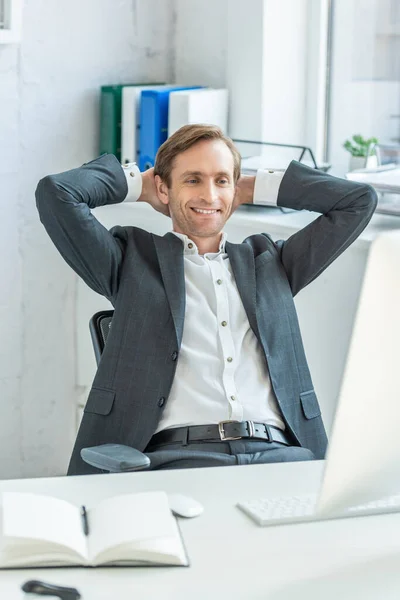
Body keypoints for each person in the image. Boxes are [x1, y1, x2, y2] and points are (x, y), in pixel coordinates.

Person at [36, 125, 377, 475]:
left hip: (283, 457)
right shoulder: (130, 261)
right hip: (177, 460)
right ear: (164, 187)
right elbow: (57, 193)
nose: (209, 195)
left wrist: (251, 186)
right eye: (193, 180)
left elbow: (358, 201)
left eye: (221, 181)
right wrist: (140, 185)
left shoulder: (272, 263)